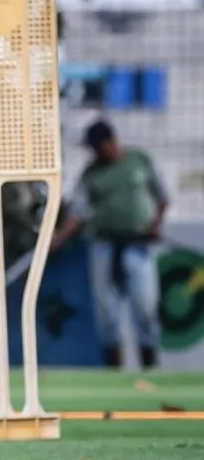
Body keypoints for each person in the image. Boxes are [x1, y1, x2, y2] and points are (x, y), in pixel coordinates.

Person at [52, 118, 169, 369]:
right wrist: (58, 239)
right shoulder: (92, 173)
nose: (94, 152)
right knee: (107, 311)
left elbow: (162, 197)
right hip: (103, 244)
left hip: (138, 244)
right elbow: (79, 212)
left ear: (109, 142)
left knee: (145, 306)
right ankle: (114, 369)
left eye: (97, 146)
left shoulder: (139, 161)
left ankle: (150, 366)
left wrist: (155, 225)